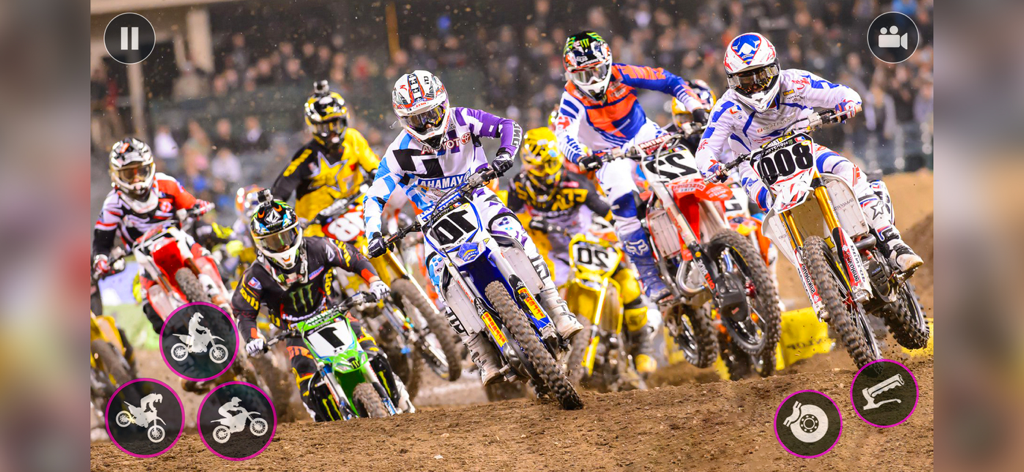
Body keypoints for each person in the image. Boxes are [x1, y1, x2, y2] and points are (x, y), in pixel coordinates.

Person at [362, 70, 582, 385]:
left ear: (444, 104)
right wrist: (372, 234)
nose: (427, 124)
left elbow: (508, 126)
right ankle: (480, 351)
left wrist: (504, 156)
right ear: (403, 119)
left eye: (431, 114)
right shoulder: (398, 152)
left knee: (511, 230)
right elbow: (374, 196)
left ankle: (554, 306)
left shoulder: (463, 118)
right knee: (438, 276)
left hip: (477, 195)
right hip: (433, 218)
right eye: (417, 119)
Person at [695, 32, 922, 273]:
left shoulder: (795, 82)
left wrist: (847, 104)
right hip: (754, 166)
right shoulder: (727, 107)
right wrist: (710, 167)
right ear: (732, 81)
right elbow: (705, 149)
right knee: (769, 205)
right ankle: (805, 268)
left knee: (846, 170)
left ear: (774, 68)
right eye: (746, 81)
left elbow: (842, 93)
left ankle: (893, 243)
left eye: (760, 77)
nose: (755, 86)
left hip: (801, 150)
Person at [552, 31, 710, 302]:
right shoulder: (571, 97)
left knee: (689, 173)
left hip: (644, 135)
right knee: (623, 204)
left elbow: (668, 80)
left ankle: (707, 236)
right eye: (584, 75)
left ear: (608, 63)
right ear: (570, 75)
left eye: (597, 71)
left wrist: (694, 106)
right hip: (607, 154)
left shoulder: (623, 73)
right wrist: (580, 157)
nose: (593, 81)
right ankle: (648, 276)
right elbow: (563, 134)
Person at [232, 194, 412, 420]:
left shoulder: (318, 247)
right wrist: (252, 339)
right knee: (309, 387)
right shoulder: (255, 275)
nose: (282, 245)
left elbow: (353, 258)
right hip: (295, 332)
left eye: (285, 236)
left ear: (296, 230)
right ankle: (328, 429)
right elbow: (244, 312)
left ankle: (402, 400)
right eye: (273, 241)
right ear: (260, 243)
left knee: (373, 355)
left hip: (333, 314)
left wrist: (374, 281)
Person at [507, 127, 658, 374]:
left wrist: (627, 229)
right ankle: (532, 348)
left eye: (543, 166)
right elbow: (510, 218)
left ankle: (643, 348)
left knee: (628, 284)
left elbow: (607, 213)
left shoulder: (577, 184)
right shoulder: (519, 185)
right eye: (534, 166)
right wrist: (529, 222)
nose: (538, 173)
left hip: (584, 244)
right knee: (532, 291)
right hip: (547, 250)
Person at [91, 138, 214, 334]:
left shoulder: (167, 183)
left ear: (150, 167)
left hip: (177, 238)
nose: (136, 179)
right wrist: (101, 258)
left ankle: (225, 296)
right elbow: (102, 240)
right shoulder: (112, 204)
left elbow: (190, 203)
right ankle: (178, 337)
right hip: (145, 256)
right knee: (151, 310)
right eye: (129, 174)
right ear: (116, 175)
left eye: (140, 171)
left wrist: (198, 206)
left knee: (206, 257)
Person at [271, 80, 379, 237]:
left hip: (355, 210)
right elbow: (279, 194)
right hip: (317, 227)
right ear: (312, 126)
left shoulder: (353, 138)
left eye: (335, 124)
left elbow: (377, 169)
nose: (332, 132)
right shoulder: (305, 157)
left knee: (384, 232)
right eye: (324, 127)